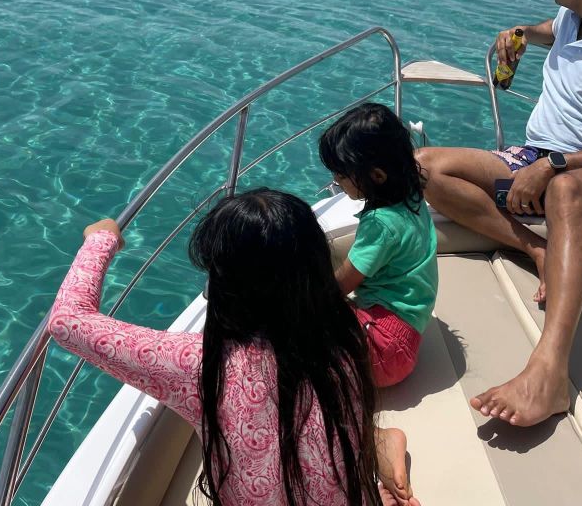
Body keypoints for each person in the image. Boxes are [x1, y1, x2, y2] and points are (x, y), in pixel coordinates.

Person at [48, 188, 422, 506]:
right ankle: (379, 445)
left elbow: (66, 322)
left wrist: (101, 239)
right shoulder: (342, 337)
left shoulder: (196, 364)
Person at [418, 0, 582, 428]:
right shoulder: (576, 15)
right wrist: (520, 33)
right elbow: (553, 27)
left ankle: (550, 371)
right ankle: (536, 249)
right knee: (424, 167)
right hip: (535, 156)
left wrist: (554, 166)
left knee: (565, 190)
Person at [319, 103, 438, 387]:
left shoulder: (380, 225)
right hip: (403, 338)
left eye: (341, 174)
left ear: (376, 176)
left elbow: (342, 285)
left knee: (304, 322)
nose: (335, 180)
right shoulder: (411, 197)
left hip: (383, 350)